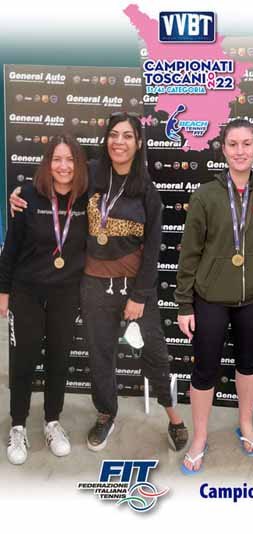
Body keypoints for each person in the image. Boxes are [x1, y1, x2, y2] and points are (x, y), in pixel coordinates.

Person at [10, 113, 187, 452]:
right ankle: (106, 414)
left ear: (138, 143)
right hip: (93, 286)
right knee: (100, 355)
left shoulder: (147, 190)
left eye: (127, 136)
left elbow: (153, 249)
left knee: (154, 353)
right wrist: (19, 195)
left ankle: (173, 415)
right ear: (106, 140)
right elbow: (54, 184)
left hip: (134, 287)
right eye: (113, 135)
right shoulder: (90, 174)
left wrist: (139, 295)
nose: (119, 142)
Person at [175, 119, 253, 473]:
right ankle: (200, 436)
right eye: (233, 144)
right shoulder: (205, 195)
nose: (240, 151)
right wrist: (184, 304)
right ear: (223, 149)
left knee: (249, 363)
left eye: (247, 144)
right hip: (210, 298)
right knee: (205, 369)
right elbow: (189, 253)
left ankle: (245, 423)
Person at [1, 136, 88, 464]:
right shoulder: (27, 197)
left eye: (70, 160)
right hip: (26, 293)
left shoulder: (87, 199)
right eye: (57, 159)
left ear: (79, 165)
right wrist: (3, 292)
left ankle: (52, 421)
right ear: (47, 163)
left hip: (66, 294)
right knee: (22, 361)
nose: (63, 166)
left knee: (58, 360)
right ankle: (18, 425)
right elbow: (11, 248)